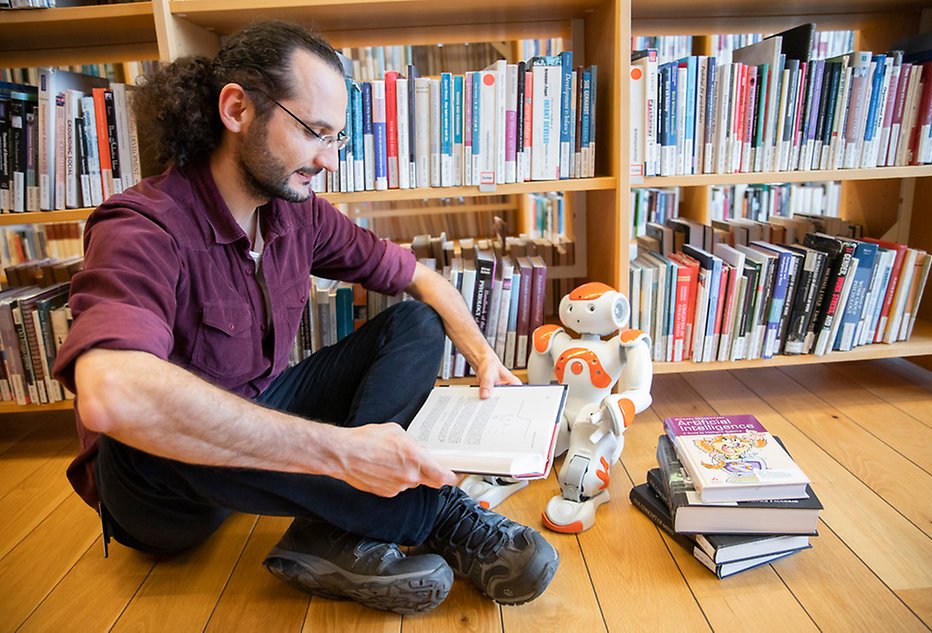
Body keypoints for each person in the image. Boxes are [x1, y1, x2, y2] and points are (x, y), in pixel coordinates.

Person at [51, 20, 559, 615]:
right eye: (314, 133)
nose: (328, 160)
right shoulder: (143, 226)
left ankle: (337, 529)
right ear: (237, 109)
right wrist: (343, 453)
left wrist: (485, 358)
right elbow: (113, 395)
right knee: (146, 416)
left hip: (261, 418)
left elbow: (418, 277)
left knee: (413, 324)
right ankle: (429, 514)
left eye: (336, 140)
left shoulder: (297, 212)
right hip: (162, 495)